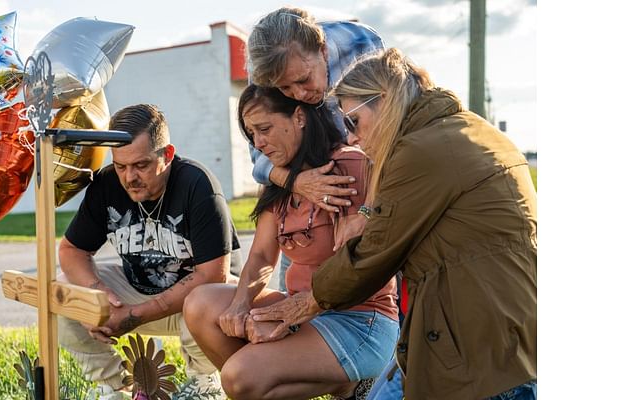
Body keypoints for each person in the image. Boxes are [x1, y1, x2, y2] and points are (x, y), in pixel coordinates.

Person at [248, 48, 538, 400]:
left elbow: (371, 255)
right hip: (500, 333)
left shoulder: (421, 150)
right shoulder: (465, 130)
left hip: (482, 354)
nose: (351, 137)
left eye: (353, 121)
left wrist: (302, 306)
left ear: (383, 100)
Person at [183, 84, 399, 400]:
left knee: (240, 377)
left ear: (299, 117)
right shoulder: (278, 180)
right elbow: (259, 256)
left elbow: (361, 269)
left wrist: (287, 316)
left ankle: (350, 384)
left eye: (265, 129)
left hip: (359, 319)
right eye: (251, 134)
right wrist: (241, 306)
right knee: (201, 305)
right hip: (300, 308)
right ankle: (265, 382)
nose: (258, 143)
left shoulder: (349, 166)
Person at [56, 104, 239, 400]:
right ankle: (114, 387)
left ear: (166, 155)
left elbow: (211, 275)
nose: (129, 177)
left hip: (202, 307)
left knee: (206, 294)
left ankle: (204, 384)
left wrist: (133, 315)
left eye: (140, 165)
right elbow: (71, 250)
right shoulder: (107, 184)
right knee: (65, 289)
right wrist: (98, 295)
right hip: (139, 293)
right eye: (121, 166)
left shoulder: (197, 185)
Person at [246, 6, 386, 293]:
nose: (299, 95)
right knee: (300, 283)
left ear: (322, 51)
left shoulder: (363, 45)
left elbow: (388, 139)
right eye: (284, 88)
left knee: (377, 289)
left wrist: (368, 212)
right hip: (307, 204)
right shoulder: (264, 71)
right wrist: (297, 182)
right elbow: (260, 156)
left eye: (303, 80)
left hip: (370, 186)